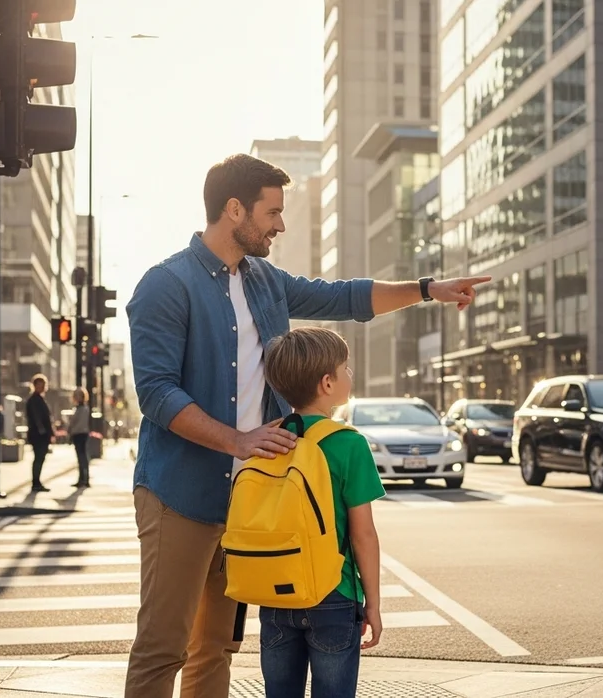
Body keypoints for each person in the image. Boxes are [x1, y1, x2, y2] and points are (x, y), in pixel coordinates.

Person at [123, 153, 487, 698]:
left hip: (251, 499)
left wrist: (427, 289)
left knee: (216, 647)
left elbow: (344, 297)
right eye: (272, 212)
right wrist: (238, 440)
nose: (280, 224)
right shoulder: (166, 284)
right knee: (163, 647)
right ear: (233, 208)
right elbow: (155, 392)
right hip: (180, 491)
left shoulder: (266, 282)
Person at [258, 326, 385, 697]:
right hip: (334, 592)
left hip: (275, 592)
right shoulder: (348, 444)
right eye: (346, 369)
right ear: (327, 383)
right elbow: (363, 534)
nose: (351, 375)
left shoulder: (269, 437)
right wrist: (372, 606)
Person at [25, 374, 53, 492]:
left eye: (43, 385)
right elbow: (37, 418)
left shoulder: (39, 399)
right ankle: (36, 483)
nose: (41, 387)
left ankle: (37, 482)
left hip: (41, 434)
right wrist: (43, 430)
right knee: (39, 458)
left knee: (40, 458)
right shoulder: (34, 400)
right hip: (38, 435)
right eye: (39, 385)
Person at [70, 388, 92, 488]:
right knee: (82, 457)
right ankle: (83, 479)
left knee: (82, 457)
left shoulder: (82, 409)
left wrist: (70, 429)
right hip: (81, 434)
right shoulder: (81, 408)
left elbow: (75, 423)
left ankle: (84, 479)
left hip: (80, 434)